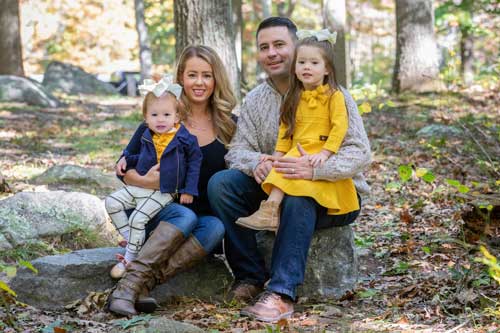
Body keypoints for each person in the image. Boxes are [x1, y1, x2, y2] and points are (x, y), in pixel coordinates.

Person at [208, 17, 371, 323]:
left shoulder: (335, 95)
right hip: (277, 188)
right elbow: (237, 151)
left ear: (298, 49)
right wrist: (259, 161)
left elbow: (360, 153)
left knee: (299, 196)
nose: (272, 53)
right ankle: (250, 277)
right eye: (264, 47)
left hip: (334, 195)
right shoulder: (256, 99)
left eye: (280, 45)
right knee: (222, 184)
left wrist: (314, 171)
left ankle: (282, 294)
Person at [107, 45, 237, 317]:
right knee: (184, 216)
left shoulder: (229, 124)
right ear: (181, 78)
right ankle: (125, 290)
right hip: (155, 209)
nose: (199, 82)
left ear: (217, 80)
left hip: (196, 219)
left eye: (207, 75)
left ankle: (143, 285)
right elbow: (124, 168)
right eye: (192, 75)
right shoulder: (161, 116)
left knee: (214, 227)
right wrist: (146, 181)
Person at [236, 29, 359, 232]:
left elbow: (340, 127)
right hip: (297, 149)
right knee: (282, 167)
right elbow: (286, 131)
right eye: (301, 63)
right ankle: (270, 210)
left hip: (319, 153)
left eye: (314, 63)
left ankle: (272, 211)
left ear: (327, 69)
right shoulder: (293, 97)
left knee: (294, 185)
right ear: (295, 67)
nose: (307, 67)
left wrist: (326, 153)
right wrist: (276, 157)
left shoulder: (336, 96)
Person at [104, 76, 202, 279]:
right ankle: (134, 241)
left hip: (165, 190)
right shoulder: (145, 134)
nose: (160, 119)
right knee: (111, 202)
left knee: (138, 218)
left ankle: (130, 258)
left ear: (177, 117)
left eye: (166, 114)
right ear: (146, 117)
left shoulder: (185, 139)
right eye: (154, 114)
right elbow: (133, 155)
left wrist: (188, 190)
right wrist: (124, 160)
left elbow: (194, 164)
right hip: (141, 186)